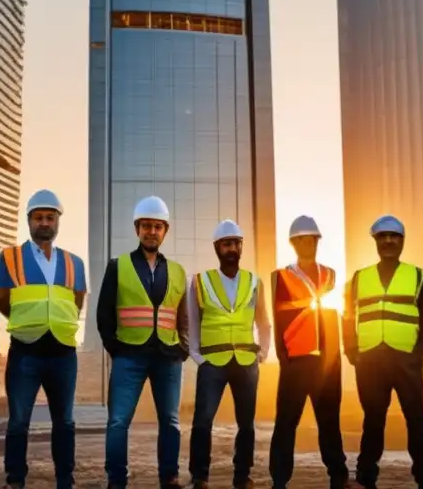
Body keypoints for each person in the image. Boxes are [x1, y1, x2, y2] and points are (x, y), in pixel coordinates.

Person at [0, 189, 88, 489]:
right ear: (29, 221)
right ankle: (15, 480)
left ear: (58, 221)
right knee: (19, 420)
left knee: (65, 421)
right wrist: (26, 321)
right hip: (25, 351)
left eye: (49, 217)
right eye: (38, 218)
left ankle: (64, 480)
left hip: (62, 353)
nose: (44, 223)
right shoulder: (9, 257)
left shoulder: (74, 263)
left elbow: (77, 301)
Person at [96, 195, 188, 489]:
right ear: (137, 229)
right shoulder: (118, 265)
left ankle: (169, 477)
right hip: (130, 355)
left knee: (171, 422)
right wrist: (116, 349)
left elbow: (182, 315)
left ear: (165, 231)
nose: (152, 231)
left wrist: (183, 347)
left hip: (168, 355)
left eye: (157, 226)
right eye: (146, 226)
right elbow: (103, 313)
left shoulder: (177, 271)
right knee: (118, 421)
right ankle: (116, 479)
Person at [343, 214, 423, 489]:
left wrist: (421, 349)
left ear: (402, 241)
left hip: (406, 358)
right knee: (373, 419)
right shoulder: (360, 278)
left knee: (416, 419)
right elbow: (348, 315)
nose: (388, 241)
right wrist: (352, 349)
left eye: (394, 236)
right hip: (370, 360)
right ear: (375, 241)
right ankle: (365, 477)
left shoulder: (419, 275)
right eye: (382, 237)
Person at [187, 220, 272, 489]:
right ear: (217, 248)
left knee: (246, 424)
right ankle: (200, 476)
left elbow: (263, 322)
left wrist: (263, 353)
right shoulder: (201, 282)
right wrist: (198, 356)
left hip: (247, 362)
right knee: (203, 421)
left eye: (236, 243)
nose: (232, 249)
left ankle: (242, 476)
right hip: (212, 362)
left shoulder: (254, 281)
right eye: (227, 244)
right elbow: (191, 323)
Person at [268, 215, 350, 489]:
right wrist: (285, 359)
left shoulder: (330, 275)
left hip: (327, 362)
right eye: (302, 239)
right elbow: (279, 320)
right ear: (293, 243)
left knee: (329, 422)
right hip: (296, 361)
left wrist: (334, 359)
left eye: (312, 238)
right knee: (286, 422)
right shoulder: (282, 277)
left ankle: (338, 478)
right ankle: (279, 480)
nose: (308, 243)